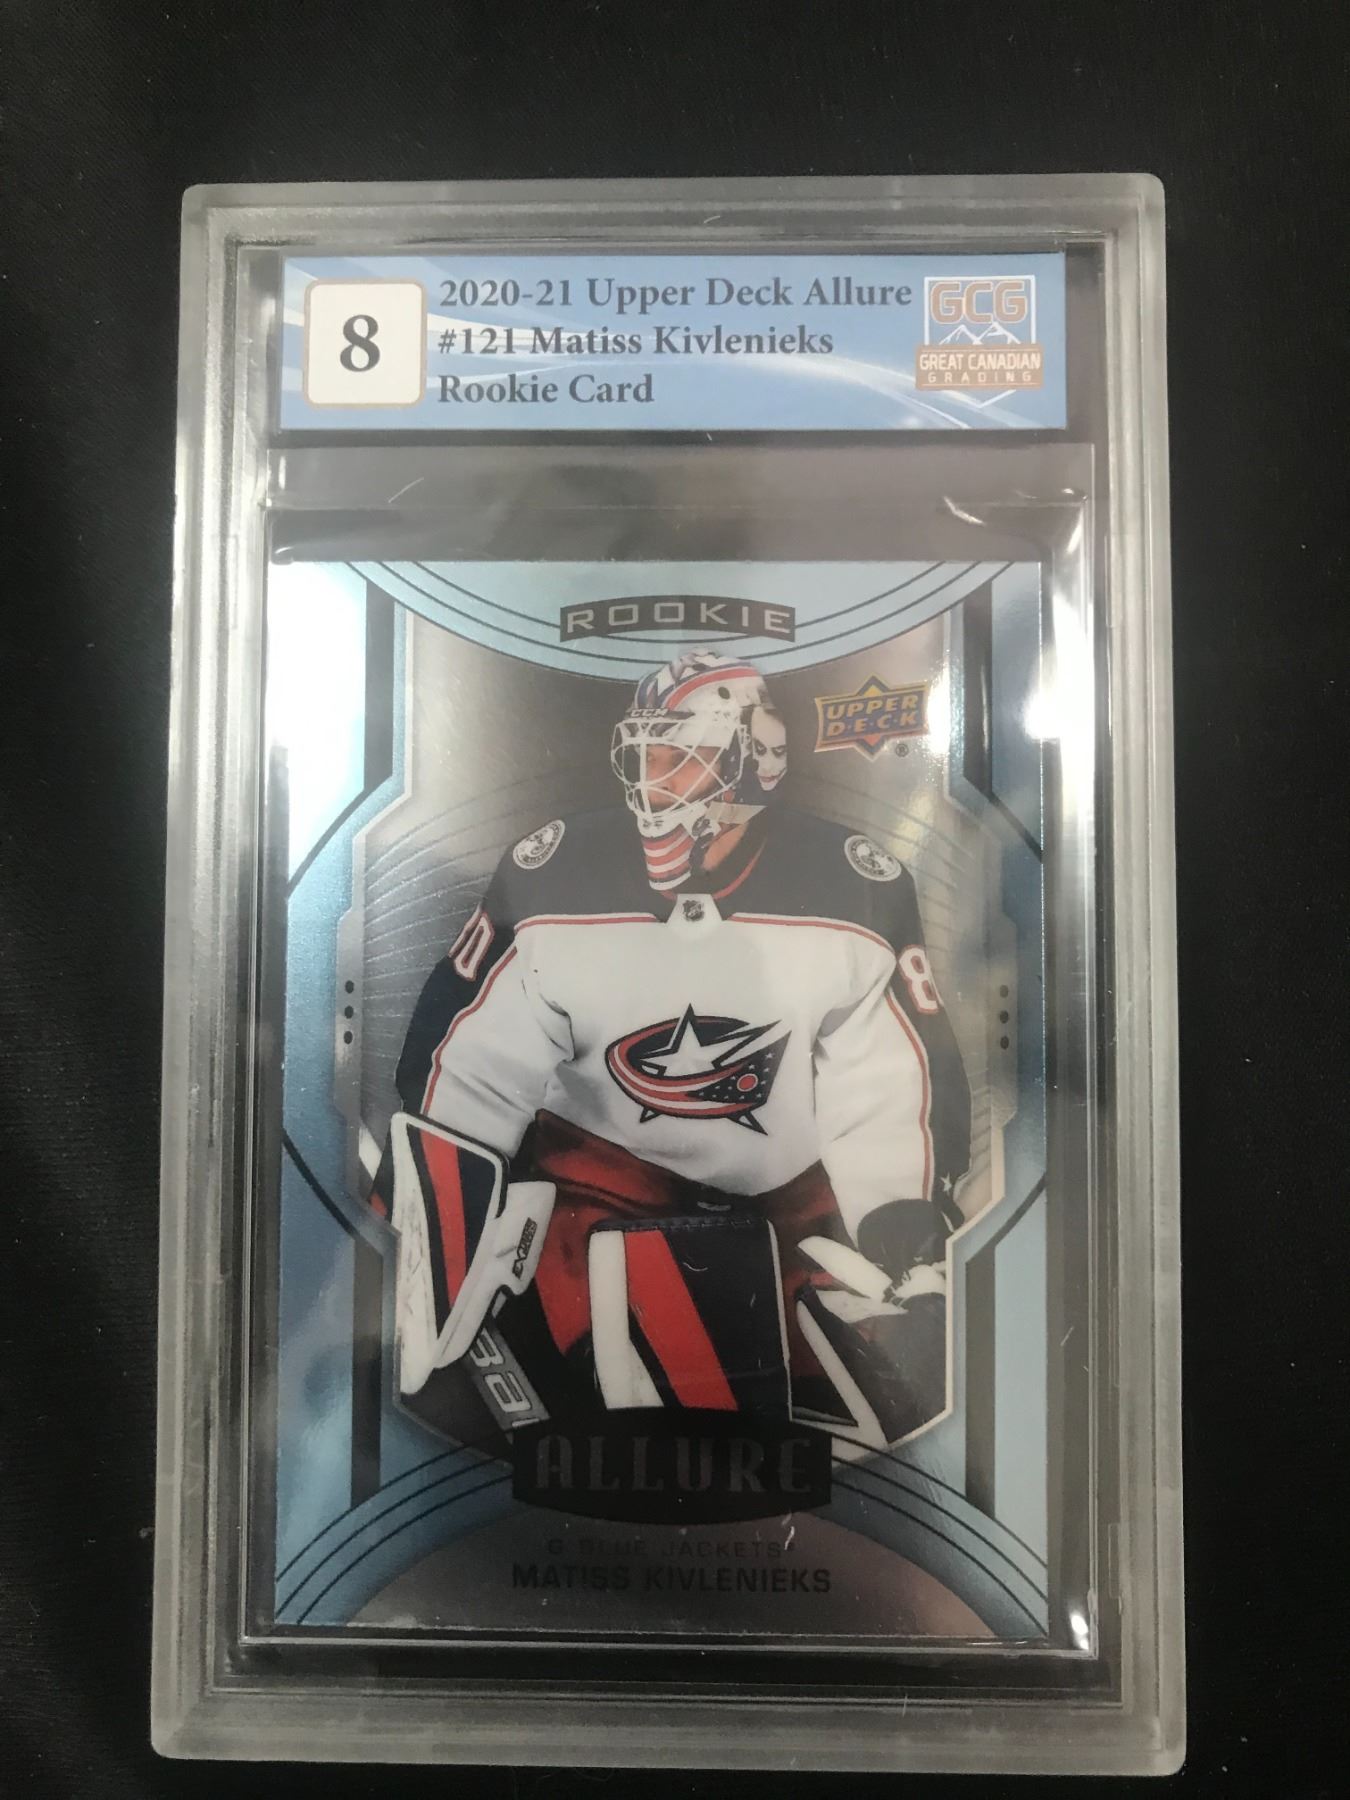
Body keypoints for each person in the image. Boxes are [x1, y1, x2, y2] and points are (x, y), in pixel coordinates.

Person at [373, 649, 970, 1445]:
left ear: (754, 761)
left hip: (793, 1198)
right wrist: (437, 1197)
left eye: (680, 756)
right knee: (565, 1370)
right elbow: (470, 1061)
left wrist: (904, 1232)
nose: (652, 780)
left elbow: (889, 1083)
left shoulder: (853, 883)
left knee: (861, 1377)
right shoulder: (553, 872)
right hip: (601, 1179)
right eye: (645, 754)